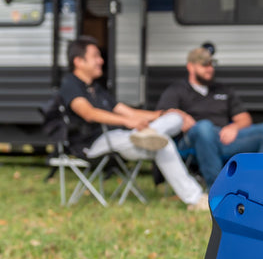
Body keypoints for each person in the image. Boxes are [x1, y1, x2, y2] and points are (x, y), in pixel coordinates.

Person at [59, 36, 207, 210]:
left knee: (171, 127)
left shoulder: (97, 89)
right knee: (161, 142)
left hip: (120, 138)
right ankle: (195, 198)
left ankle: (195, 200)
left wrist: (163, 113)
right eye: (96, 56)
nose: (101, 60)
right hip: (93, 144)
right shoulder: (70, 84)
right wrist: (128, 122)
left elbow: (128, 111)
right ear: (78, 61)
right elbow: (88, 113)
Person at [156, 47, 263, 186]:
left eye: (211, 65)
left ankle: (258, 187)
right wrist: (181, 115)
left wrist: (234, 127)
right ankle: (218, 189)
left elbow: (245, 118)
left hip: (223, 136)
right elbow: (162, 116)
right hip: (192, 139)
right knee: (204, 127)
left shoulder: (222, 89)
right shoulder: (177, 90)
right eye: (204, 65)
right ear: (190, 67)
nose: (209, 69)